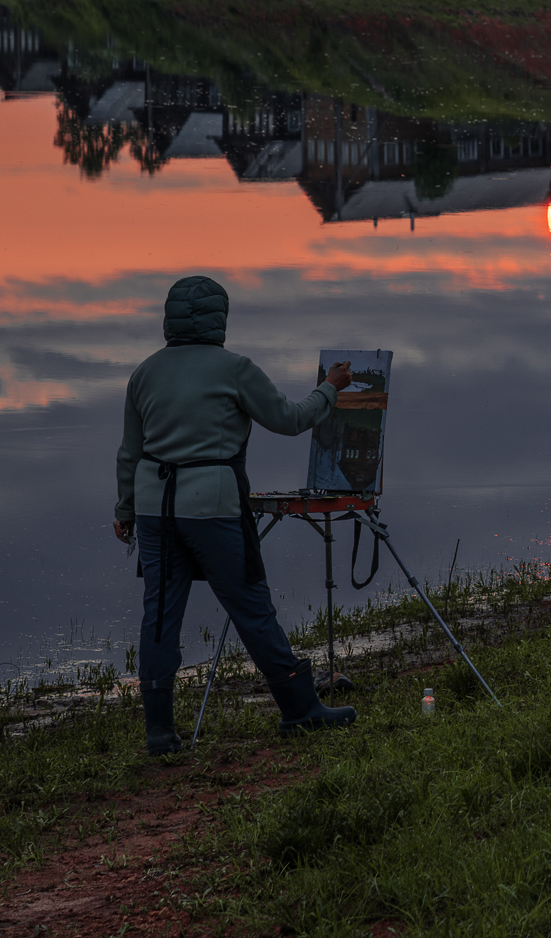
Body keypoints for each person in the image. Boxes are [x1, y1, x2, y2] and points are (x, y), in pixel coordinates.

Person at [115, 274, 357, 754]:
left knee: (159, 615)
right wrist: (330, 389)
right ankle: (300, 710)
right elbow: (289, 419)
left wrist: (124, 510)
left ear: (170, 318)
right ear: (220, 318)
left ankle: (160, 732)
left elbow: (130, 453)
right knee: (250, 605)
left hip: (154, 511)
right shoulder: (234, 368)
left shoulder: (144, 373)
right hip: (213, 508)